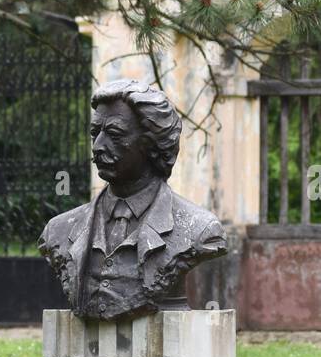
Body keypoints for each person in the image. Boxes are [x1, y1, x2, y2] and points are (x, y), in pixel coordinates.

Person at [38, 78, 227, 320]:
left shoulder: (200, 229)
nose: (97, 146)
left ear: (152, 143)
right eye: (95, 133)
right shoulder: (58, 231)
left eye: (114, 134)